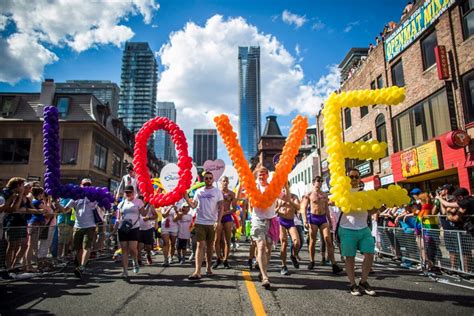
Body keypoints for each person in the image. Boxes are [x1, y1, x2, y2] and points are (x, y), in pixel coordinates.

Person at [337, 168, 376, 296]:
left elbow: (369, 211)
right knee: (350, 257)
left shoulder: (365, 193)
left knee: (369, 254)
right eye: (351, 177)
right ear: (347, 179)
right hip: (347, 229)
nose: (354, 179)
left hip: (364, 228)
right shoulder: (342, 192)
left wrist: (380, 207)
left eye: (356, 177)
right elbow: (339, 205)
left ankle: (363, 281)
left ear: (359, 179)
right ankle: (352, 284)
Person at [184, 171, 224, 280]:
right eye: (206, 178)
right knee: (200, 245)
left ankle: (208, 268)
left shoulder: (217, 192)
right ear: (204, 179)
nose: (209, 180)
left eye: (210, 178)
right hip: (200, 222)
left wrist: (218, 221)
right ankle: (197, 271)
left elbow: (221, 208)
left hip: (212, 223)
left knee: (210, 247)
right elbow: (193, 206)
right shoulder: (198, 191)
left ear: (213, 179)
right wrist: (187, 199)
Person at [301, 176, 342, 274]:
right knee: (312, 240)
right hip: (313, 218)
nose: (319, 183)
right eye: (318, 181)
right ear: (313, 182)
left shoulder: (324, 195)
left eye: (321, 181)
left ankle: (334, 264)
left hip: (323, 218)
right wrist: (305, 221)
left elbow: (327, 209)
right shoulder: (309, 194)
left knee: (328, 239)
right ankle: (312, 261)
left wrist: (330, 221)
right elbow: (304, 208)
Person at [65, 178, 103, 280]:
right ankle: (79, 265)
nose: (86, 186)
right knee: (77, 249)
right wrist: (55, 200)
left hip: (90, 226)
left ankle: (82, 267)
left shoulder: (93, 198)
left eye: (88, 185)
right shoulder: (75, 198)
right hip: (77, 226)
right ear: (80, 185)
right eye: (84, 184)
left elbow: (103, 206)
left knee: (87, 247)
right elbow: (64, 210)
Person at [250, 167, 279, 289]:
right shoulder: (253, 187)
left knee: (268, 250)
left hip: (271, 221)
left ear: (267, 175)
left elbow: (286, 198)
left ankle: (261, 269)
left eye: (263, 174)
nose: (261, 177)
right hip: (258, 220)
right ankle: (265, 276)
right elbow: (240, 196)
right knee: (261, 246)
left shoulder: (273, 187)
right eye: (259, 175)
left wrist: (287, 188)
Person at [115, 185, 146, 278]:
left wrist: (149, 203)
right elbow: (118, 217)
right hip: (123, 228)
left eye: (130, 192)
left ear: (134, 193)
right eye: (126, 192)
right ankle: (125, 271)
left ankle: (135, 261)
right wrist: (115, 229)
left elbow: (144, 213)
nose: (128, 194)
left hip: (134, 228)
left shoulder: (138, 202)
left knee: (133, 249)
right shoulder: (122, 203)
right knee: (124, 250)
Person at [275, 183, 301, 275]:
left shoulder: (294, 197)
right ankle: (283, 266)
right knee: (284, 242)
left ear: (289, 187)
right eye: (282, 187)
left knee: (297, 242)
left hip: (290, 222)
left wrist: (291, 202)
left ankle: (293, 255)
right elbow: (273, 212)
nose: (284, 189)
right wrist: (279, 206)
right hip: (281, 221)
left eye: (286, 187)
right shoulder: (278, 198)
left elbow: (299, 208)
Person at [213, 176, 236, 269]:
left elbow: (234, 209)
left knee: (227, 240)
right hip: (217, 218)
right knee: (216, 240)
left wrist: (225, 213)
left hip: (227, 217)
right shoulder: (216, 193)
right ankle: (218, 258)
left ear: (228, 182)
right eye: (224, 181)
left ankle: (226, 260)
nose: (225, 182)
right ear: (220, 182)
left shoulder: (232, 194)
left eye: (227, 181)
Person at [138, 197, 157, 265]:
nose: (140, 201)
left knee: (148, 247)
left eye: (141, 200)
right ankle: (139, 260)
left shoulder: (150, 206)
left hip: (148, 229)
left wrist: (149, 218)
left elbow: (156, 215)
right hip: (139, 229)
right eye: (139, 200)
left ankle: (148, 255)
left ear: (144, 200)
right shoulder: (136, 206)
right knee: (139, 246)